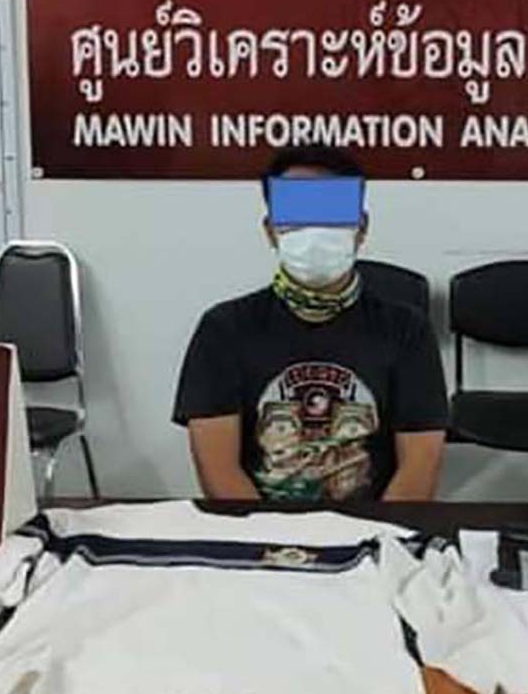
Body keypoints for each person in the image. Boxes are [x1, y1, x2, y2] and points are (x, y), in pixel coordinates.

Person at [172, 145, 448, 501]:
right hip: (259, 525)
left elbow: (420, 468)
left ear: (361, 228)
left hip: (374, 526)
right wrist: (267, 534)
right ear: (270, 231)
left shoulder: (407, 329)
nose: (315, 234)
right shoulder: (223, 329)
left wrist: (376, 533)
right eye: (298, 218)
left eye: (331, 216)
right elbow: (219, 472)